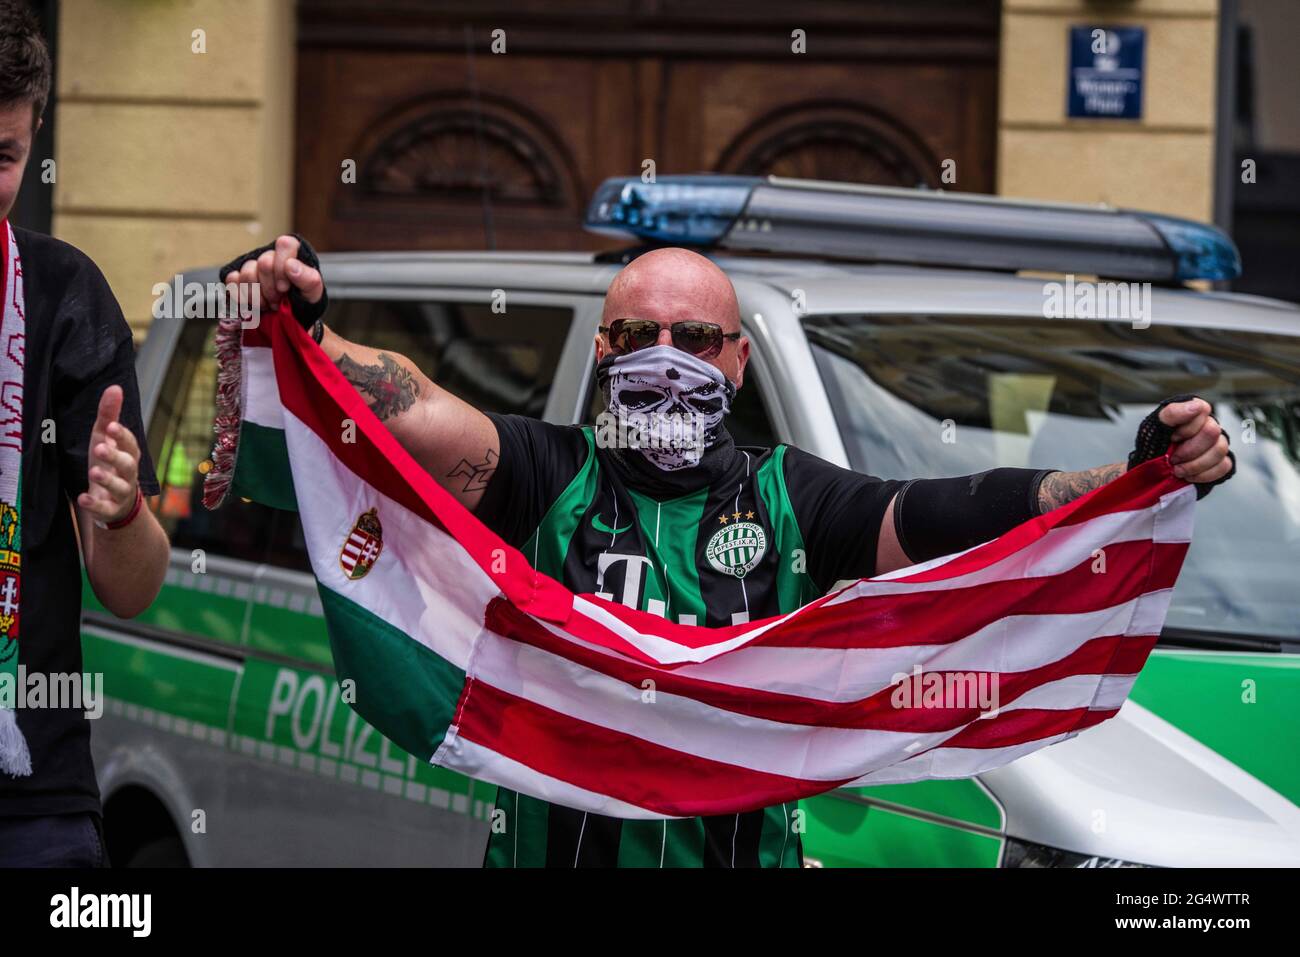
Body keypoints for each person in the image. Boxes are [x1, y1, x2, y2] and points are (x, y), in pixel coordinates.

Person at [221, 233, 1233, 868]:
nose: (665, 357)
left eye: (695, 339)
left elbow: (958, 510)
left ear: (737, 361)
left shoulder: (789, 495)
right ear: (605, 353)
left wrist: (1124, 479)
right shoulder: (541, 470)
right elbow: (405, 412)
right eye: (637, 334)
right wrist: (310, 331)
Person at [0, 0, 168, 867]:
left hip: (33, 791)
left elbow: (131, 588)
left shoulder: (65, 297)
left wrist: (119, 510)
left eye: (2, 156)